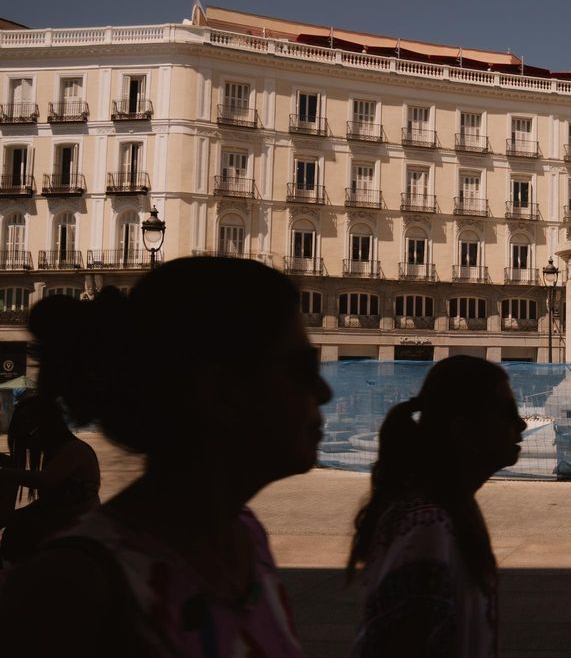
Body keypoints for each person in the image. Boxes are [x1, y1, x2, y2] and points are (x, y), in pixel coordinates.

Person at [0, 257, 332, 656]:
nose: (324, 392)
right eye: (299, 368)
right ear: (221, 389)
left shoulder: (245, 538)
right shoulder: (74, 592)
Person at [348, 355, 526, 657]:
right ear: (464, 431)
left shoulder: (451, 509)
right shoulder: (427, 529)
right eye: (506, 412)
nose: (521, 424)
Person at [0, 392, 100, 565]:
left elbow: (45, 480)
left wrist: (4, 472)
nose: (29, 443)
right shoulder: (57, 453)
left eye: (29, 433)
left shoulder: (76, 450)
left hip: (78, 525)